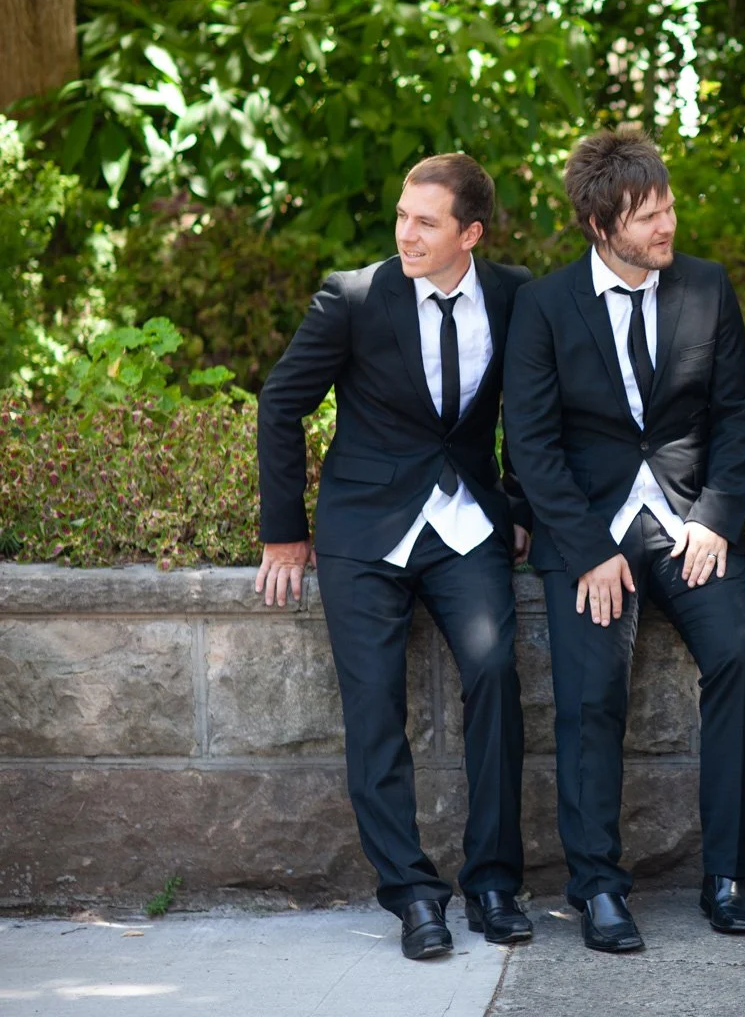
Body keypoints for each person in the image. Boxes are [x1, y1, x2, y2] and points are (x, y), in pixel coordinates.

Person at [256, 153, 533, 960]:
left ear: (470, 233)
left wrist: (515, 505)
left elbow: (538, 409)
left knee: (495, 676)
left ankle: (492, 880)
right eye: (402, 217)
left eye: (426, 222)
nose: (405, 234)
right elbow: (281, 403)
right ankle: (412, 893)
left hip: (465, 525)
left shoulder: (515, 296)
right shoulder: (353, 297)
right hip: (365, 530)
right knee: (375, 709)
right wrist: (284, 530)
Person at [504, 127, 745, 953]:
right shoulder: (544, 306)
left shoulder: (707, 288)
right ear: (598, 224)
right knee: (589, 696)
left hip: (690, 521)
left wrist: (716, 519)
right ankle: (599, 887)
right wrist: (585, 547)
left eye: (669, 207)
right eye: (647, 215)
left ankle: (727, 876)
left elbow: (738, 420)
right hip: (590, 532)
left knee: (739, 660)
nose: (666, 226)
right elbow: (533, 445)